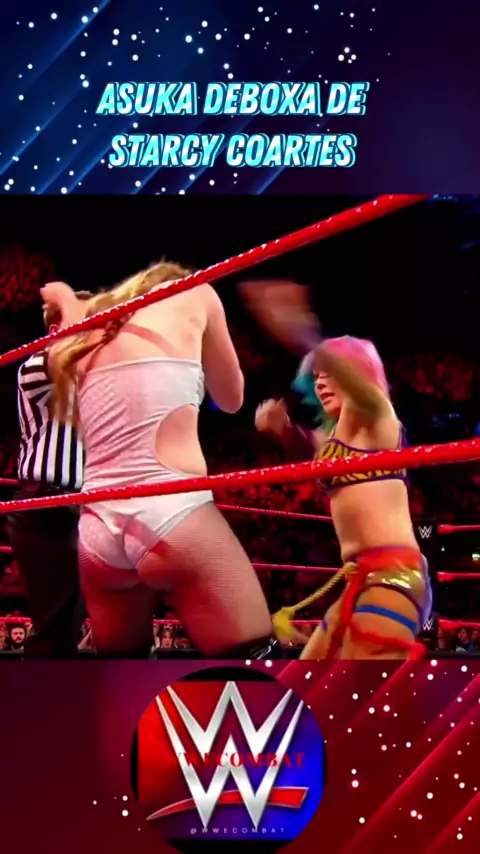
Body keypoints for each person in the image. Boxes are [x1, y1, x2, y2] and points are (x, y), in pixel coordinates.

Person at [42, 265, 280, 660]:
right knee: (256, 659)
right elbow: (232, 399)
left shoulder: (90, 333)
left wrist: (67, 301)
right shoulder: (195, 291)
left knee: (122, 673)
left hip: (97, 526)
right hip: (172, 511)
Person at [245, 279, 432, 660]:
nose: (321, 382)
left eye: (328, 373)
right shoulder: (334, 436)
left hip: (393, 576)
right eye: (315, 377)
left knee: (360, 688)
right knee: (304, 680)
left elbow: (357, 388)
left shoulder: (377, 414)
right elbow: (312, 450)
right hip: (357, 579)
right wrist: (283, 429)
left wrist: (301, 333)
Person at [6, 289, 92, 658]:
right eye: (88, 320)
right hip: (45, 504)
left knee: (76, 621)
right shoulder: (36, 367)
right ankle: (38, 692)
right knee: (55, 627)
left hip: (80, 506)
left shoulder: (89, 381)